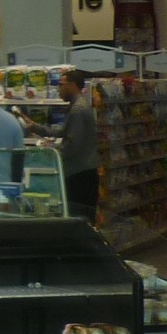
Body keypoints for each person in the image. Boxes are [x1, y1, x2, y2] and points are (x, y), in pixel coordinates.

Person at [58, 68, 101, 221]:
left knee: (79, 219)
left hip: (79, 175)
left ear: (71, 85)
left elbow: (72, 145)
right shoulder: (80, 106)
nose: (58, 89)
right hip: (84, 172)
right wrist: (35, 127)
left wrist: (53, 154)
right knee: (85, 218)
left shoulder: (77, 109)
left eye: (61, 84)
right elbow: (63, 133)